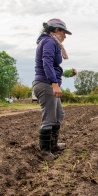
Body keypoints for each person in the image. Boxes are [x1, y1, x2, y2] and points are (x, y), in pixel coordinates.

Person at [32, 18, 72, 160]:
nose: (65, 36)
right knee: (49, 117)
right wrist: (54, 83)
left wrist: (64, 75)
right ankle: (45, 151)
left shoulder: (51, 42)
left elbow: (53, 66)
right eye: (63, 32)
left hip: (48, 83)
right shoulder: (49, 41)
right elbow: (46, 63)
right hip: (45, 84)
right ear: (56, 30)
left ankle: (53, 144)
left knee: (59, 114)